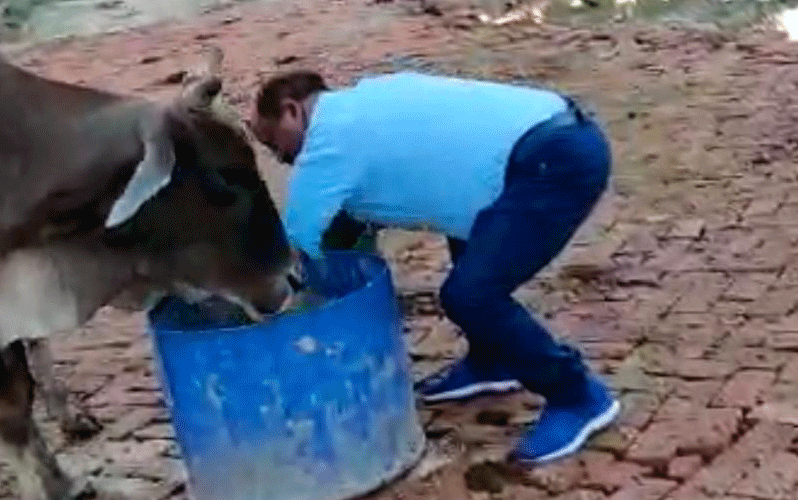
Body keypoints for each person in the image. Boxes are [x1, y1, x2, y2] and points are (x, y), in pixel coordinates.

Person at [251, 69, 619, 464]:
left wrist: (283, 318)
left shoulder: (327, 140)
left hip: (553, 165)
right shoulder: (366, 102)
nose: (282, 159)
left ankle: (577, 396)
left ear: (292, 111)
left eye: (274, 143)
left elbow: (297, 244)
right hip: (553, 139)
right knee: (459, 225)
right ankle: (492, 361)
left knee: (471, 296)